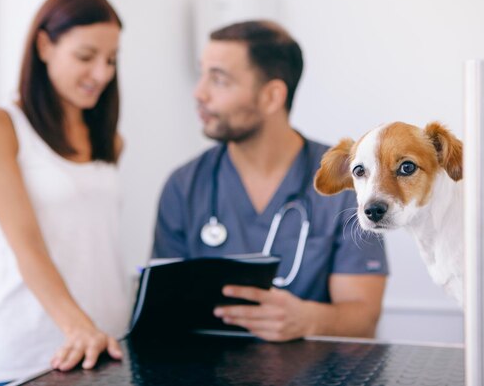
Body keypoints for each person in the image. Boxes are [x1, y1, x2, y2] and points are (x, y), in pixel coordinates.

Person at [153, 20, 388, 342]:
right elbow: (164, 310)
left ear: (271, 96)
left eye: (218, 79)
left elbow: (363, 318)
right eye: (202, 74)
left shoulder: (346, 181)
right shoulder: (184, 186)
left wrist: (308, 319)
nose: (199, 92)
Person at [0, 0, 131, 385]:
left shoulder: (110, 142)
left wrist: (100, 330)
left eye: (110, 60)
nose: (101, 74)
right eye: (85, 56)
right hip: (28, 354)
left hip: (106, 348)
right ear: (44, 45)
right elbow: (27, 244)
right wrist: (77, 327)